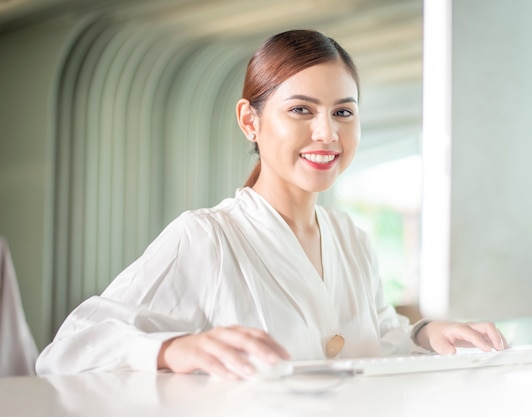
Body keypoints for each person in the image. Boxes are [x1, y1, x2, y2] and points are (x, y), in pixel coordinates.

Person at [36, 29, 507, 379]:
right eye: (301, 110)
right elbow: (69, 350)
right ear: (249, 121)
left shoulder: (350, 237)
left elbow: (377, 340)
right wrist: (171, 349)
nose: (327, 133)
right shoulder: (207, 237)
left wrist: (423, 335)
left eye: (343, 111)